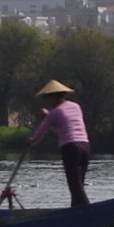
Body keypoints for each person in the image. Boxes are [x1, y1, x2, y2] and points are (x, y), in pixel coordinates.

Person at [28, 79, 91, 207]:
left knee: (75, 186)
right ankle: (76, 211)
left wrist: (31, 141)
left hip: (71, 148)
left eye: (47, 98)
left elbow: (41, 131)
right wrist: (49, 116)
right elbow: (62, 128)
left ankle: (86, 212)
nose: (47, 101)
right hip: (85, 146)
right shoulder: (75, 106)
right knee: (79, 184)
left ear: (54, 97)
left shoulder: (54, 112)